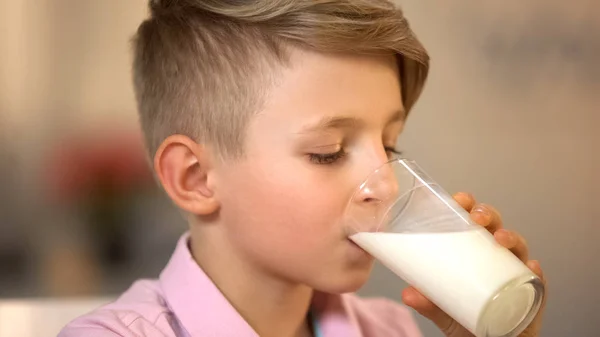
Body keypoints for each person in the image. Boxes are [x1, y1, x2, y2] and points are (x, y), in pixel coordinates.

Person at [59, 0, 547, 336]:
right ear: (194, 177)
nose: (386, 183)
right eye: (329, 151)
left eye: (390, 146)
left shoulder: (388, 329)